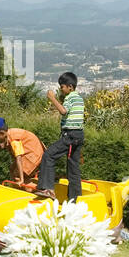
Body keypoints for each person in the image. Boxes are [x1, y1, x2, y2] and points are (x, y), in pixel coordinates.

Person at [35, 72, 86, 201]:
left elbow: (63, 111)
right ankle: (75, 199)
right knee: (73, 169)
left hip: (70, 135)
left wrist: (52, 98)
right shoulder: (80, 98)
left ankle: (47, 188)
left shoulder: (70, 98)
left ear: (70, 86)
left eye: (62, 87)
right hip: (78, 135)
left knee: (49, 155)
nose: (61, 89)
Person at [0, 117, 44, 190]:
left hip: (33, 155)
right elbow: (2, 146)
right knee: (13, 169)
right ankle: (27, 188)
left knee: (17, 175)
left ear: (2, 132)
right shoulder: (9, 135)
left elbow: (19, 158)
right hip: (32, 154)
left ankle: (38, 191)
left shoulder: (14, 140)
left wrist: (21, 179)